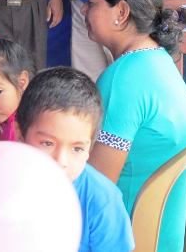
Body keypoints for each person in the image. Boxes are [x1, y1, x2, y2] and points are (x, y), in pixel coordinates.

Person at [84, 0, 186, 252]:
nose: (85, 10)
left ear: (120, 12)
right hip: (168, 227)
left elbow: (97, 186)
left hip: (138, 234)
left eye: (93, 3)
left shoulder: (122, 78)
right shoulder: (159, 58)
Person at [16, 66, 135, 252]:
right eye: (47, 143)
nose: (61, 161)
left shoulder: (103, 201)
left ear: (89, 148)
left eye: (77, 148)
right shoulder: (4, 184)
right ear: (20, 135)